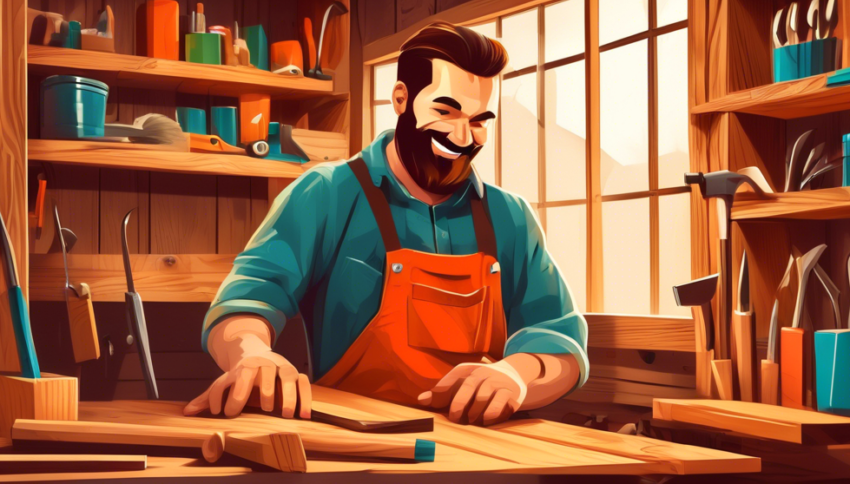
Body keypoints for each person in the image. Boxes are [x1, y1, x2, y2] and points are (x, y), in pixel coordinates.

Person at [184, 22, 588, 426]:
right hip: (352, 446)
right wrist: (252, 353)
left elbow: (563, 346)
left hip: (480, 448)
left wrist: (518, 375)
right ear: (400, 99)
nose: (462, 137)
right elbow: (245, 301)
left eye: (479, 120)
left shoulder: (510, 217)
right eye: (445, 112)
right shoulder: (327, 194)